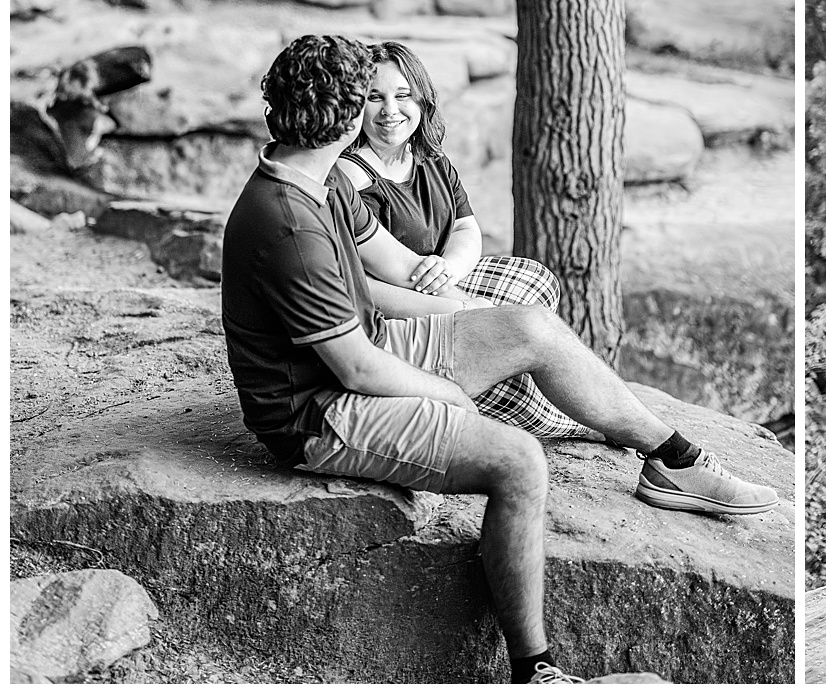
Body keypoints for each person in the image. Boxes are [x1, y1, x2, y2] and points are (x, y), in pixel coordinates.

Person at [220, 35, 777, 685]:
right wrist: (446, 393)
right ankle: (534, 670)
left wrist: (478, 317)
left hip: (367, 350)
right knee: (518, 461)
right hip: (316, 411)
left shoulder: (317, 178)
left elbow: (398, 267)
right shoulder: (287, 220)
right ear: (347, 119)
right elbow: (358, 373)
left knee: (531, 325)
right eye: (368, 99)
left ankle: (671, 459)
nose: (383, 112)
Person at [335, 41, 593, 444]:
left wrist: (449, 268)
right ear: (355, 106)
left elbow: (465, 229)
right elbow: (361, 286)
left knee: (535, 280)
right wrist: (463, 308)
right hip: (396, 310)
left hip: (442, 279)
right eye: (374, 97)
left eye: (403, 96)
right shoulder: (350, 179)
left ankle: (515, 379)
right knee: (506, 332)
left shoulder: (431, 159)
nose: (390, 110)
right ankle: (562, 419)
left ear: (422, 100)